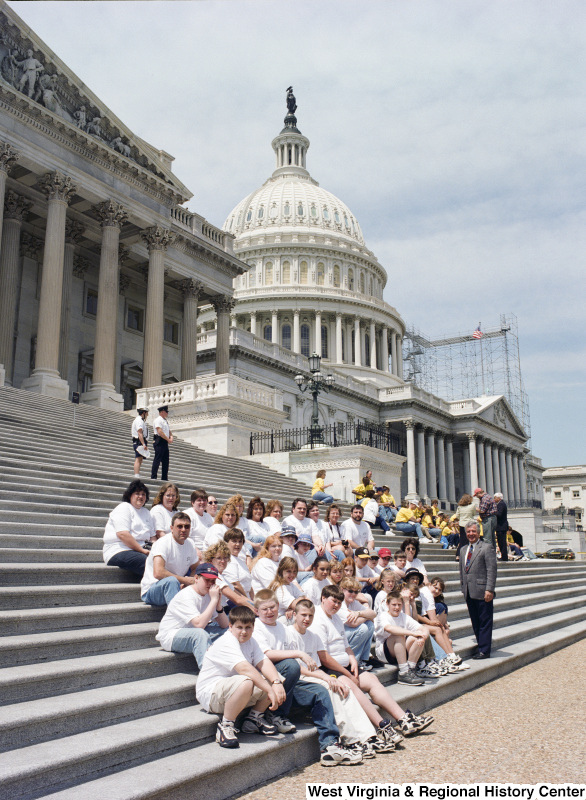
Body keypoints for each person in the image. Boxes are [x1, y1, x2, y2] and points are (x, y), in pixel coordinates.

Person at [313, 585, 434, 739]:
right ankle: (382, 725)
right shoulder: (318, 618)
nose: (336, 605)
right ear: (323, 598)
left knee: (372, 679)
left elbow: (346, 645)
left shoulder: (336, 617)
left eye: (339, 602)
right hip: (328, 669)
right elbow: (324, 657)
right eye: (333, 601)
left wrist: (353, 661)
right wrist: (347, 673)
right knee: (352, 686)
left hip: (345, 664)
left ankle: (403, 719)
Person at [288, 600, 392, 759]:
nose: (306, 619)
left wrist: (329, 677)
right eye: (303, 615)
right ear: (294, 615)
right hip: (299, 678)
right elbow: (297, 667)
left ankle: (367, 737)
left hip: (315, 675)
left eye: (310, 615)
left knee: (344, 687)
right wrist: (327, 678)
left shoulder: (313, 636)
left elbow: (315, 666)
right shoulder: (288, 633)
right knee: (332, 689)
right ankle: (351, 740)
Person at [195, 605, 285, 748]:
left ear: (253, 627)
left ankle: (254, 719)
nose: (244, 632)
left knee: (275, 676)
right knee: (247, 681)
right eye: (240, 627)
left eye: (248, 627)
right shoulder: (227, 641)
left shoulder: (251, 641)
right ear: (230, 626)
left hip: (234, 691)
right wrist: (269, 690)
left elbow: (264, 662)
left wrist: (276, 683)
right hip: (211, 694)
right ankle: (225, 726)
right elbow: (245, 669)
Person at [156, 562, 228, 668]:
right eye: (207, 580)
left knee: (229, 631)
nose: (210, 584)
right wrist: (213, 600)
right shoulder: (186, 595)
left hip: (194, 631)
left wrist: (218, 606)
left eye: (213, 581)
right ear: (196, 578)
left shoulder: (209, 595)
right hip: (172, 635)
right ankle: (208, 674)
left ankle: (228, 666)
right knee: (200, 634)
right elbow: (199, 625)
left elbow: (224, 625)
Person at [140, 512, 199, 606]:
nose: (183, 529)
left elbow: (196, 567)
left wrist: (190, 580)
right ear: (171, 528)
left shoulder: (190, 543)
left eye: (187, 526)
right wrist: (184, 580)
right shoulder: (162, 543)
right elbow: (158, 572)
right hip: (152, 590)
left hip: (177, 586)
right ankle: (177, 618)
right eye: (179, 526)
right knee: (172, 581)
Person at [460, 520, 497, 659]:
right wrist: (463, 587)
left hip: (483, 591)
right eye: (468, 531)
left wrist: (490, 589)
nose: (471, 534)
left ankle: (484, 650)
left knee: (485, 621)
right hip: (469, 591)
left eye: (473, 531)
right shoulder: (464, 549)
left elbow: (491, 570)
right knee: (475, 621)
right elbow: (462, 571)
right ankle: (481, 644)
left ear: (479, 532)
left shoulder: (487, 548)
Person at [374, 591, 427, 686]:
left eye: (399, 605)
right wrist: (412, 633)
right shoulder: (383, 616)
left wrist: (422, 637)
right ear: (387, 604)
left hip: (399, 650)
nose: (397, 607)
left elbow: (423, 628)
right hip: (384, 653)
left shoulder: (404, 616)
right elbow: (389, 629)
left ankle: (410, 669)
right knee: (398, 635)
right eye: (394, 604)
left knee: (417, 636)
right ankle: (403, 673)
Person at [103, 480, 155, 576]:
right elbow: (122, 534)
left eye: (143, 494)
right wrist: (142, 550)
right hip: (119, 550)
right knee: (148, 562)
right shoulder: (124, 507)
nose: (141, 496)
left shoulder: (146, 512)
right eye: (137, 493)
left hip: (141, 550)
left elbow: (152, 538)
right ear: (130, 495)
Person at [204, 540, 257, 614]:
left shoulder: (221, 576)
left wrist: (256, 605)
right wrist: (257, 612)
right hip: (215, 616)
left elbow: (241, 596)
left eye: (225, 558)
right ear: (210, 560)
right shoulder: (213, 576)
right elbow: (237, 600)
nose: (223, 561)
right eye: (219, 558)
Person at [339, 578, 376, 672]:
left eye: (356, 592)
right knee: (363, 628)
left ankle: (362, 660)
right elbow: (353, 623)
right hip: (338, 636)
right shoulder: (340, 603)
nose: (353, 594)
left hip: (348, 633)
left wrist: (358, 613)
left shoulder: (353, 603)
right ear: (342, 589)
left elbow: (373, 614)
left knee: (370, 625)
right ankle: (351, 661)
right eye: (350, 591)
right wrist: (366, 616)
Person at [268, 557, 305, 623]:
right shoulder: (279, 587)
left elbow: (305, 598)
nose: (292, 575)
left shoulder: (290, 585)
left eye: (294, 572)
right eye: (289, 571)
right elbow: (300, 606)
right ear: (281, 571)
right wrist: (294, 607)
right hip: (278, 620)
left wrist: (291, 608)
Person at [223, 528, 254, 601]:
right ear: (226, 542)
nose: (238, 544)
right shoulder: (227, 559)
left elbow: (249, 584)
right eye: (234, 541)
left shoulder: (241, 561)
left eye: (240, 541)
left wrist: (253, 600)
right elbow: (235, 584)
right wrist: (248, 601)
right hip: (235, 601)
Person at [184, 488, 213, 552]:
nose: (202, 502)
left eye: (204, 500)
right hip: (192, 551)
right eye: (199, 500)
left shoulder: (208, 516)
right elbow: (186, 537)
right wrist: (197, 551)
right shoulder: (187, 515)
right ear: (192, 502)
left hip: (207, 552)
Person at [453, 493, 479, 560]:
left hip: (462, 524)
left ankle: (458, 555)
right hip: (469, 524)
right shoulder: (472, 505)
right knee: (470, 540)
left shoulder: (459, 507)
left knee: (462, 540)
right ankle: (468, 555)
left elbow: (457, 516)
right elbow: (473, 514)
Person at [151, 405, 173, 481]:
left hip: (165, 441)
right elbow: (159, 431)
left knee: (166, 460)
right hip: (159, 440)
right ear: (162, 412)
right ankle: (153, 476)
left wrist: (171, 437)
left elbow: (168, 430)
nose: (167, 413)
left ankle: (164, 477)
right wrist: (168, 439)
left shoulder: (165, 421)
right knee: (157, 459)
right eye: (166, 412)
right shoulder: (158, 420)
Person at [131, 408, 149, 477]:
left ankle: (137, 473)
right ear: (144, 413)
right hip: (139, 441)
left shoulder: (141, 420)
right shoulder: (139, 420)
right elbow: (139, 432)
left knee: (140, 458)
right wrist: (143, 443)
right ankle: (136, 475)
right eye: (147, 413)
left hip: (140, 441)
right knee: (138, 458)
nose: (148, 415)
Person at [494, 492, 509, 562]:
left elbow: (499, 514)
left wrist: (493, 512)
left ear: (498, 498)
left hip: (501, 526)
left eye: (495, 498)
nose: (494, 499)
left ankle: (504, 557)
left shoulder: (501, 504)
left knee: (502, 542)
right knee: (501, 542)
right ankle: (504, 556)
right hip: (501, 526)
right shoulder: (501, 504)